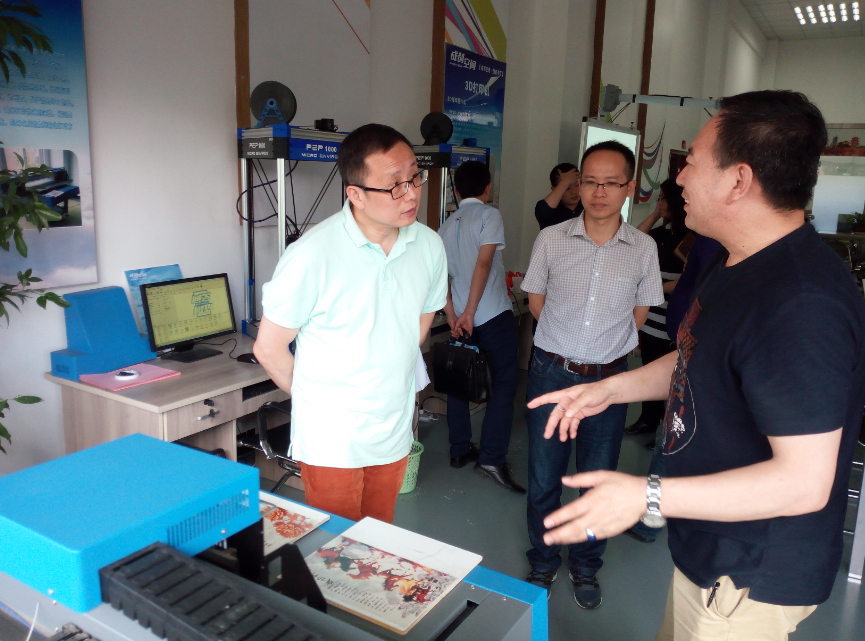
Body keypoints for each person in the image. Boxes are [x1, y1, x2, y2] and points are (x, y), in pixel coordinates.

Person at [529, 90, 865, 640]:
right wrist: (611, 389)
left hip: (747, 580)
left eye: (692, 162)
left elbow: (804, 483)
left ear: (738, 180)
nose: (679, 177)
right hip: (709, 552)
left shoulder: (802, 303)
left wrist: (646, 494)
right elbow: (695, 357)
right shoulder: (736, 261)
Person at [253, 124, 448, 524]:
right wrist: (322, 402)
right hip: (332, 439)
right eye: (395, 185)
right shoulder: (312, 255)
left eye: (415, 177)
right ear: (355, 194)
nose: (412, 193)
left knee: (379, 538)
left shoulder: (429, 245)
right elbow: (268, 348)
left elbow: (419, 325)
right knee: (337, 546)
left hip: (393, 429)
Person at [520, 140, 664, 608]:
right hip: (551, 373)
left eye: (610, 183)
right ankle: (543, 561)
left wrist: (602, 354)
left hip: (608, 383)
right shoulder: (551, 239)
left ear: (629, 188)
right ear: (578, 185)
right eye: (590, 182)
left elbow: (640, 313)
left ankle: (585, 565)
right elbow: (536, 302)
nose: (599, 192)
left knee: (597, 478)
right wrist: (567, 346)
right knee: (544, 476)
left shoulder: (643, 248)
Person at [437, 160, 523, 494]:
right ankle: (491, 458)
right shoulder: (489, 215)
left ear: (456, 191)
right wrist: (471, 312)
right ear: (488, 188)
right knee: (504, 384)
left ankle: (459, 449)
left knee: (459, 381)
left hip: (461, 318)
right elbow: (484, 263)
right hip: (491, 315)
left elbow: (440, 278)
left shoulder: (444, 227)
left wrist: (453, 314)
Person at [626, 179, 690, 443]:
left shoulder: (689, 236)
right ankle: (647, 420)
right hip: (652, 311)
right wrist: (655, 213)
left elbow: (690, 279)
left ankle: (665, 428)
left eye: (663, 199)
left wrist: (658, 287)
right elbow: (633, 240)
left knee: (669, 375)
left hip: (672, 310)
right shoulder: (661, 233)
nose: (659, 203)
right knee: (649, 364)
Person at [535, 162, 585, 230]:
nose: (574, 192)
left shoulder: (587, 205)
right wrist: (566, 181)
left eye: (577, 185)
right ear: (554, 189)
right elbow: (542, 211)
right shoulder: (551, 211)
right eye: (567, 188)